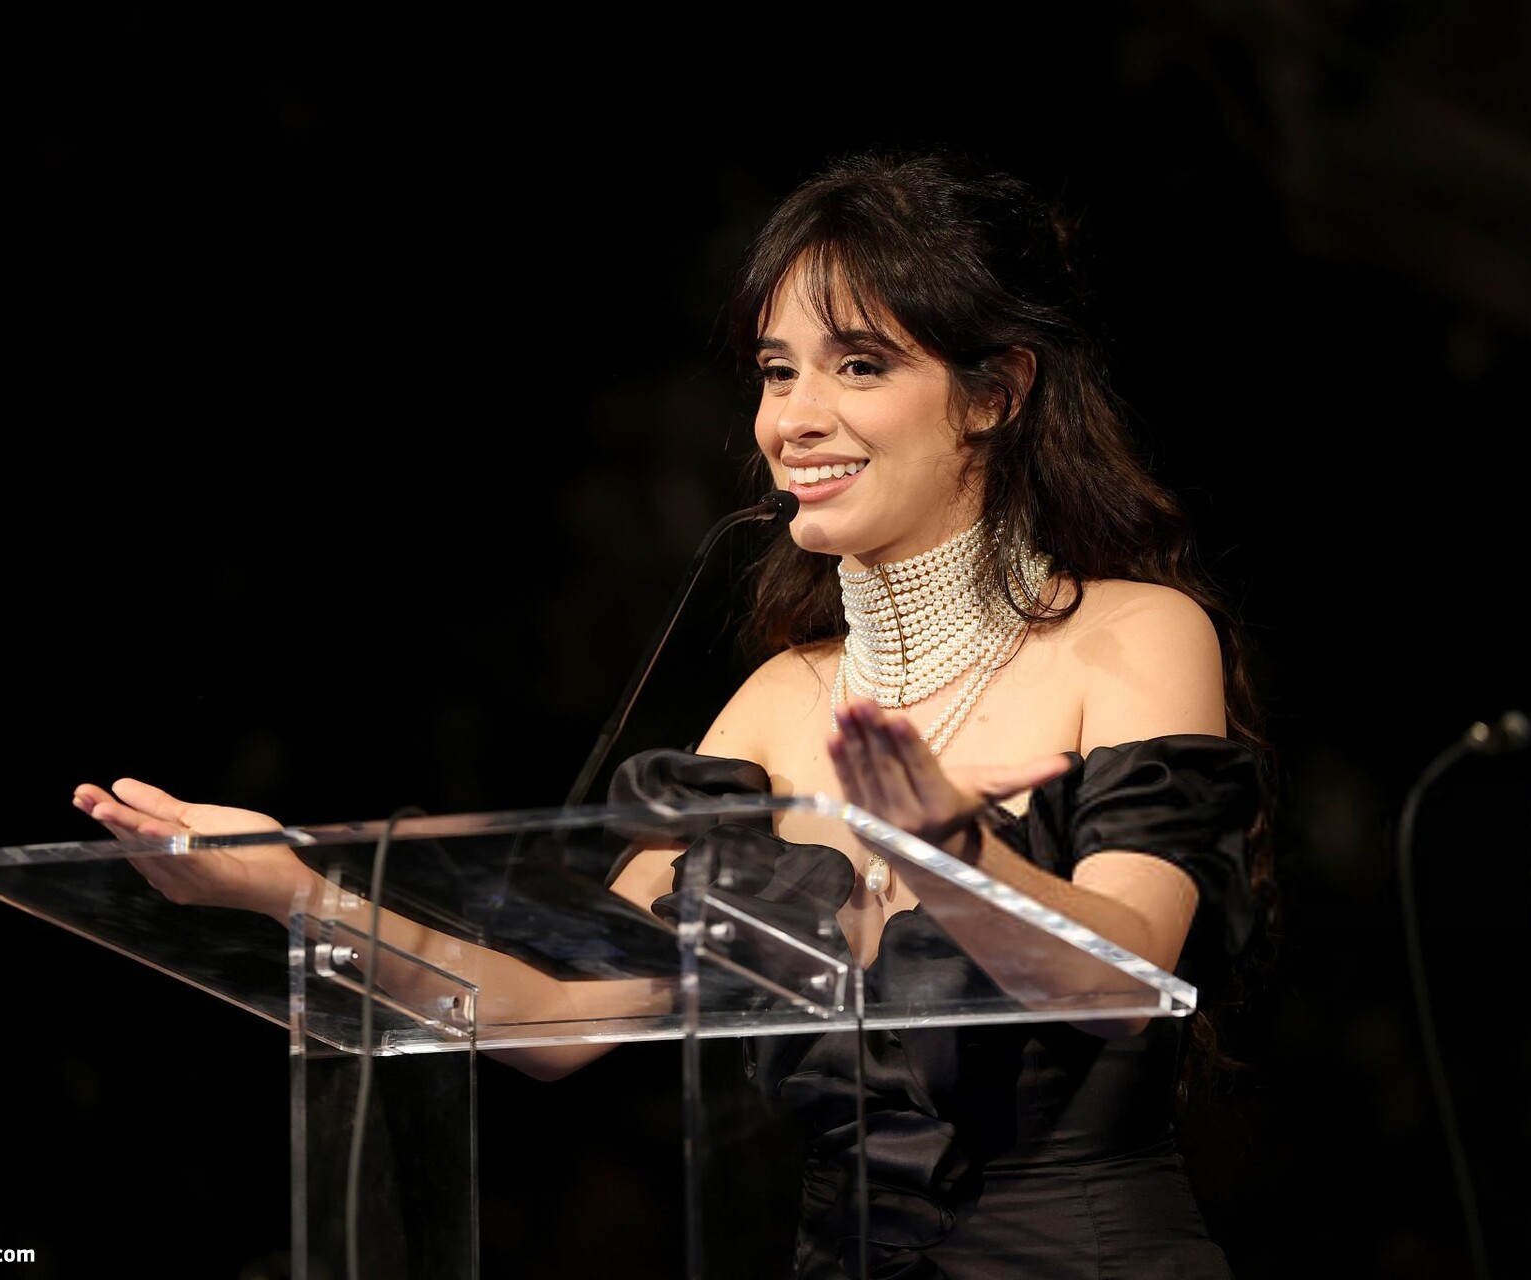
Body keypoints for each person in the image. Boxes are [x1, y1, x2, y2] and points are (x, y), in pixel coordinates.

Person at [74, 148, 1275, 1279]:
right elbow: (559, 1017)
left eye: (859, 365)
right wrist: (294, 891)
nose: (793, 419)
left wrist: (956, 848)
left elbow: (1126, 974)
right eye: (777, 369)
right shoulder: (775, 702)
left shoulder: (1135, 635)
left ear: (995, 393)